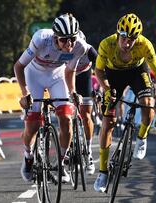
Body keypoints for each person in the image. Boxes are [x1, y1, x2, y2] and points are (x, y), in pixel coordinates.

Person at [93, 13, 156, 193]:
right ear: (118, 34)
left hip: (137, 72)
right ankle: (103, 172)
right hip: (113, 75)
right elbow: (99, 71)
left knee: (148, 105)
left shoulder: (144, 45)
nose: (127, 43)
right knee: (107, 122)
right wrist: (107, 90)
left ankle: (141, 137)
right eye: (124, 38)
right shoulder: (106, 44)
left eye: (132, 39)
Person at [14, 13, 88, 183]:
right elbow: (18, 66)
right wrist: (25, 93)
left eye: (72, 38)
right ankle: (28, 156)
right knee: (32, 123)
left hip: (57, 76)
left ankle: (61, 163)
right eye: (64, 40)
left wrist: (73, 92)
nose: (69, 44)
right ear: (55, 37)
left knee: (67, 119)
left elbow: (70, 71)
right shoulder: (41, 39)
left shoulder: (80, 47)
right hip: (34, 75)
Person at [73, 30, 98, 175]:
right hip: (67, 77)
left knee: (86, 116)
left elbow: (102, 66)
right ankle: (70, 146)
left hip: (84, 78)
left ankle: (88, 151)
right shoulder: (65, 49)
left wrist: (101, 88)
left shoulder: (89, 51)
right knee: (66, 114)